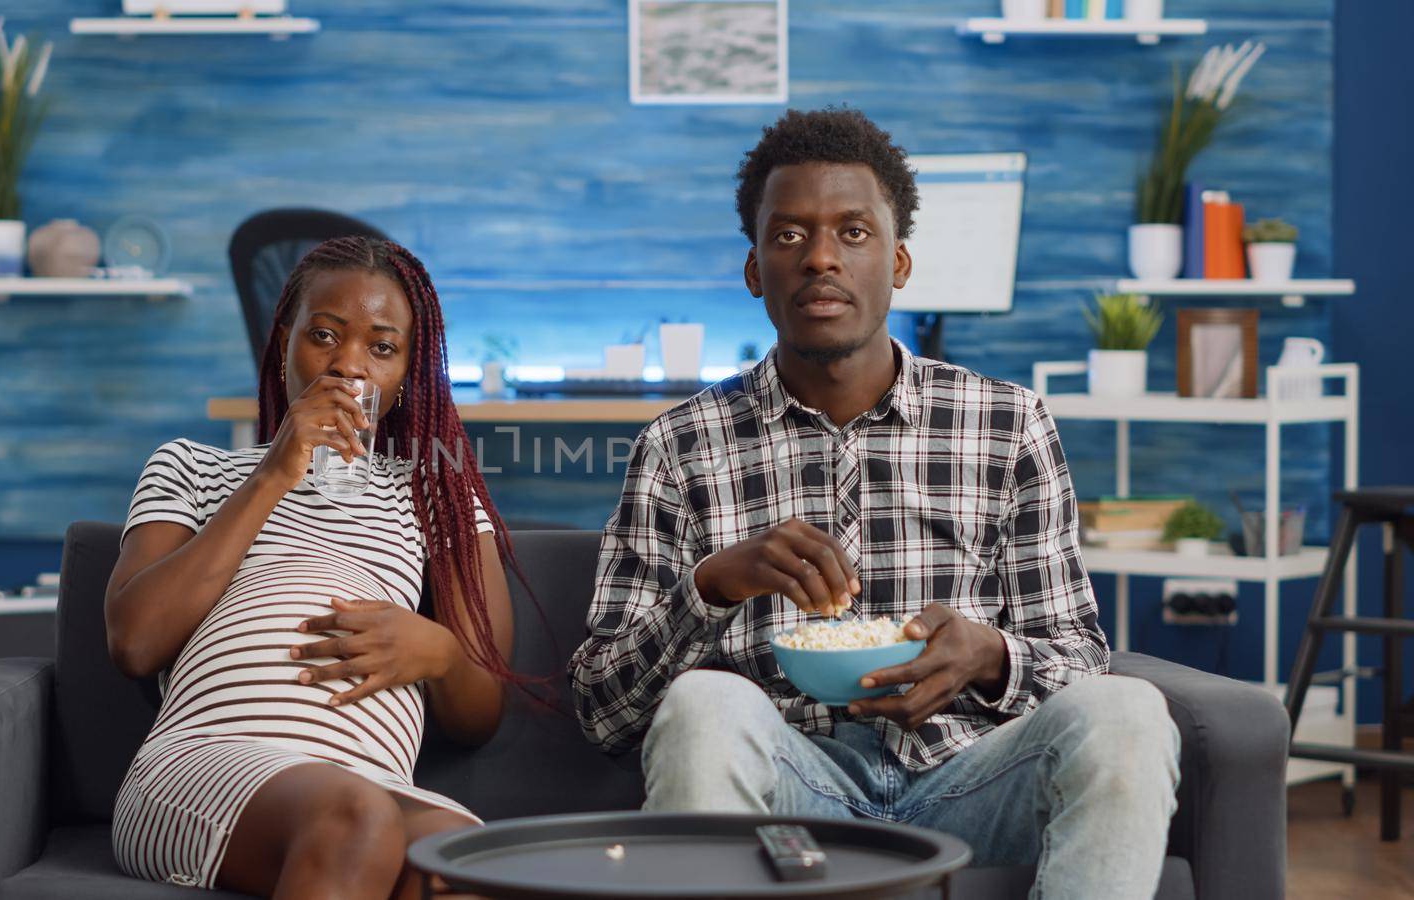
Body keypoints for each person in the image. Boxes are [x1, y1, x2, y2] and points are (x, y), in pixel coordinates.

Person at [569, 108, 1181, 898]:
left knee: (1128, 713)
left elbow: (1077, 653)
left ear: (898, 264)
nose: (821, 257)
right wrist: (714, 586)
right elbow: (602, 713)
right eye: (789, 236)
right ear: (755, 269)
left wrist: (990, 655)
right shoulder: (680, 445)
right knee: (704, 704)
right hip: (792, 790)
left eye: (852, 233)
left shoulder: (1008, 423)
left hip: (972, 781)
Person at [106, 236, 518, 899]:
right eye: (323, 336)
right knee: (355, 819)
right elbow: (134, 641)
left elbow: (479, 716)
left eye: (381, 348)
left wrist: (438, 651)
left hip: (369, 783)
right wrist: (273, 473)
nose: (347, 365)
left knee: (463, 863)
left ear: (409, 373)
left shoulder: (436, 493)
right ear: (283, 345)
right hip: (206, 763)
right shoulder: (194, 467)